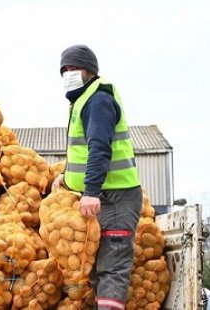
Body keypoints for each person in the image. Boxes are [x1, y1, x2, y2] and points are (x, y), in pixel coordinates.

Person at [52, 44, 142, 310]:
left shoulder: (98, 99)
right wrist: (66, 178)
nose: (68, 74)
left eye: (74, 68)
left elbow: (99, 147)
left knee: (112, 269)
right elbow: (82, 152)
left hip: (116, 198)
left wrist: (90, 191)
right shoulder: (84, 100)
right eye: (64, 70)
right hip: (104, 198)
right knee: (95, 269)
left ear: (89, 70)